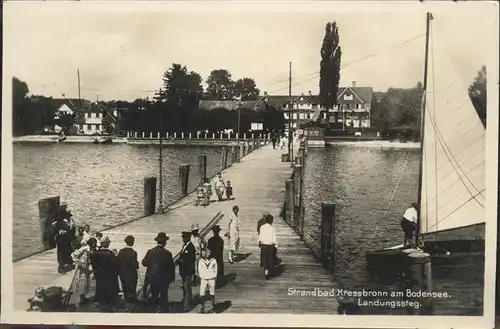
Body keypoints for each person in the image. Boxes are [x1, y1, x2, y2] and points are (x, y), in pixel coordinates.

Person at [141, 232, 175, 313]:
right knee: (164, 295)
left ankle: (153, 310)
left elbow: (144, 263)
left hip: (153, 278)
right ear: (165, 242)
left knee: (154, 295)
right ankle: (164, 310)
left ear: (157, 241)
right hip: (164, 279)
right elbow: (171, 267)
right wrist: (171, 278)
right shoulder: (167, 253)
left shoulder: (150, 251)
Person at [90, 236, 120, 310]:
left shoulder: (96, 253)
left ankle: (101, 302)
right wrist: (116, 256)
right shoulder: (110, 253)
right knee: (109, 288)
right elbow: (114, 264)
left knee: (100, 287)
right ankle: (109, 302)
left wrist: (95, 272)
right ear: (108, 244)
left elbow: (93, 264)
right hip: (109, 275)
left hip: (100, 274)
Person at [71, 237, 97, 306]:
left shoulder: (91, 250)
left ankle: (83, 297)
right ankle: (81, 300)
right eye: (95, 243)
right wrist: (78, 262)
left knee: (85, 283)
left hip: (86, 269)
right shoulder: (84, 249)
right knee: (82, 282)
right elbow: (73, 255)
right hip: (81, 269)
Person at [117, 235, 139, 310]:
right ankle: (131, 306)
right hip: (132, 275)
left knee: (125, 290)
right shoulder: (133, 253)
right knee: (132, 291)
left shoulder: (121, 251)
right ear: (133, 242)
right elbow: (135, 265)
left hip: (123, 274)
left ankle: (126, 305)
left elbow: (118, 262)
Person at [176, 231, 196, 312]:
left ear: (188, 238)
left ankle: (187, 305)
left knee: (187, 288)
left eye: (184, 237)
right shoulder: (185, 246)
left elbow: (190, 260)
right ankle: (186, 301)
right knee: (185, 287)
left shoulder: (190, 247)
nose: (183, 239)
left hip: (188, 270)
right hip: (184, 270)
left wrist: (181, 260)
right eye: (183, 237)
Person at [198, 248, 218, 314]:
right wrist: (202, 276)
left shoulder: (213, 260)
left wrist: (214, 275)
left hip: (211, 278)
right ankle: (202, 307)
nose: (207, 254)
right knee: (202, 293)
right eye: (205, 253)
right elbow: (199, 270)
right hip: (204, 279)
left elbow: (216, 269)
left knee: (212, 293)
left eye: (208, 253)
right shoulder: (201, 261)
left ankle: (212, 307)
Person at [258, 214, 278, 280]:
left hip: (263, 245)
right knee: (270, 259)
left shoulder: (262, 227)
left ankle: (266, 272)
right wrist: (276, 245)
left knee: (265, 259)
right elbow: (274, 237)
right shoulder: (272, 228)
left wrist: (259, 242)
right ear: (271, 221)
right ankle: (270, 272)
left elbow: (260, 236)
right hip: (270, 245)